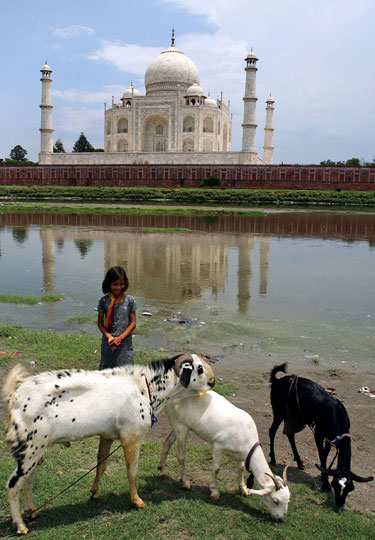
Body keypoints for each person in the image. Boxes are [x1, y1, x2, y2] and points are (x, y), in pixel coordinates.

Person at [97, 266, 136, 369]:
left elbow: (133, 323)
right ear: (108, 284)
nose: (119, 287)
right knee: (107, 370)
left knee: (126, 370)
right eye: (115, 284)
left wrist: (120, 338)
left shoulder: (130, 301)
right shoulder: (104, 301)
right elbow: (100, 323)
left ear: (125, 284)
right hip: (108, 341)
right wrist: (109, 336)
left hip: (124, 342)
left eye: (121, 284)